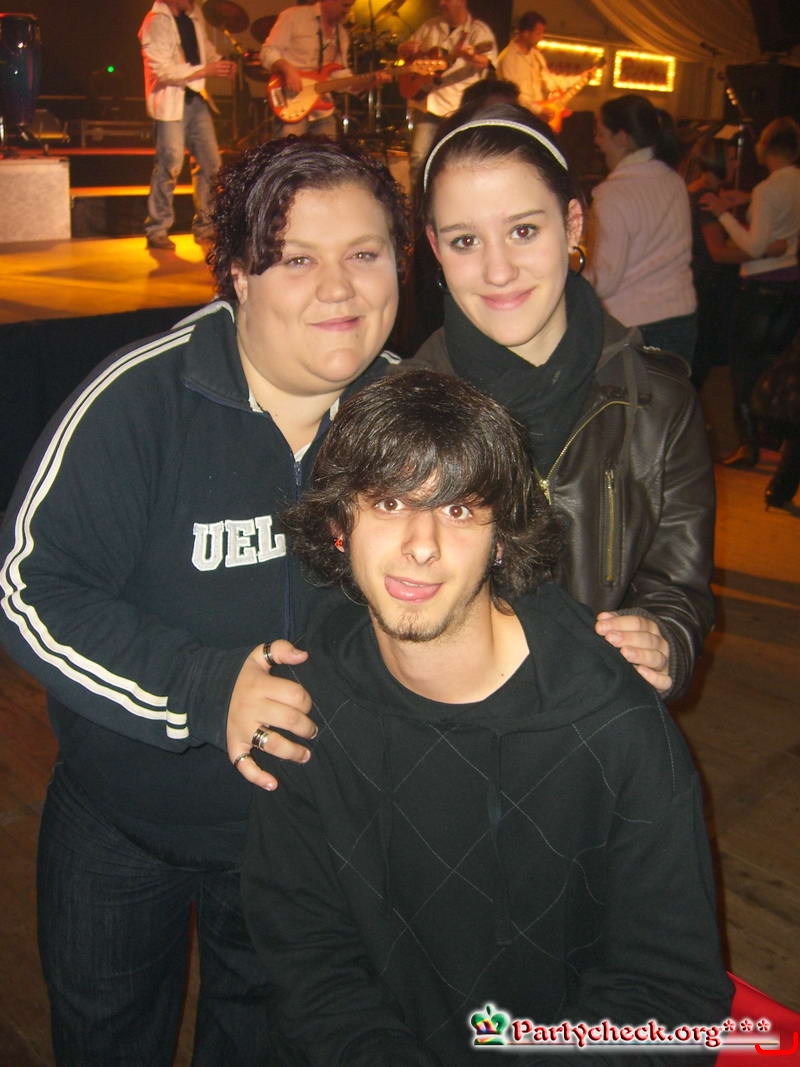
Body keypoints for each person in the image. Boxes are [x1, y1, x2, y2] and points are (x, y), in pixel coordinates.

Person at [0, 136, 409, 1065]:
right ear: (238, 275)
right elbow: (29, 585)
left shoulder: (410, 415)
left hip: (307, 836)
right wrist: (204, 686)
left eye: (365, 252)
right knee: (108, 1041)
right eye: (296, 259)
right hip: (124, 818)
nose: (340, 288)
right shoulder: (141, 402)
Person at [241, 370, 732, 1065]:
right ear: (338, 526)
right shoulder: (304, 707)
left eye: (459, 509)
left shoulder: (613, 725)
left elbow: (669, 991)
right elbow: (306, 956)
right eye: (389, 502)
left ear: (502, 539)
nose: (421, 544)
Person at [408, 101, 714, 702]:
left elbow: (678, 588)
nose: (499, 270)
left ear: (573, 224)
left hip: (596, 716)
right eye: (466, 240)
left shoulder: (659, 399)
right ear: (436, 248)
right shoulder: (403, 406)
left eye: (524, 231)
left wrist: (664, 639)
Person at [701, 116, 800, 469]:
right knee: (776, 367)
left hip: (760, 286)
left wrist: (723, 215)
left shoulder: (767, 190)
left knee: (743, 368)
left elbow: (755, 246)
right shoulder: (793, 182)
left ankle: (749, 445)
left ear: (765, 147)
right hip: (790, 283)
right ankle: (778, 441)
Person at [586, 93, 697, 363]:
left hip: (634, 323)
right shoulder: (673, 180)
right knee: (674, 390)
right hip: (681, 315)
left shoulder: (612, 194)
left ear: (622, 137)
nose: (596, 142)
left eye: (600, 134)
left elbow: (605, 280)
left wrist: (570, 275)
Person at [139, 0, 236, 251]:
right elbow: (162, 70)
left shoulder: (194, 17)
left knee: (211, 164)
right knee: (169, 164)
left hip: (196, 99)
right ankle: (157, 228)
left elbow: (205, 50)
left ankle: (206, 226)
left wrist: (221, 63)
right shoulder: (155, 21)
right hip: (170, 101)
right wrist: (206, 70)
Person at [397, 0, 497, 186]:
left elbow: (487, 61)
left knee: (455, 161)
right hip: (428, 102)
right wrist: (405, 49)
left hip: (458, 106)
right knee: (419, 157)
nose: (442, 3)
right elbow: (405, 51)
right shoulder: (430, 26)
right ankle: (419, 200)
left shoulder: (478, 30)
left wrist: (472, 56)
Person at [260, 0, 359, 139]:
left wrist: (362, 83)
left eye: (350, 6)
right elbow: (268, 52)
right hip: (291, 100)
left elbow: (338, 74)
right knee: (290, 150)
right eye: (345, 5)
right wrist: (288, 70)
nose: (347, 11)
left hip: (322, 108)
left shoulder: (341, 34)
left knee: (327, 151)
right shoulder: (294, 17)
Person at [496, 10, 580, 126]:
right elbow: (514, 94)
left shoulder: (536, 56)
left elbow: (550, 81)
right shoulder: (508, 58)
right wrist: (538, 110)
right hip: (518, 119)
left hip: (536, 119)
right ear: (526, 33)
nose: (541, 37)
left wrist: (580, 78)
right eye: (538, 34)